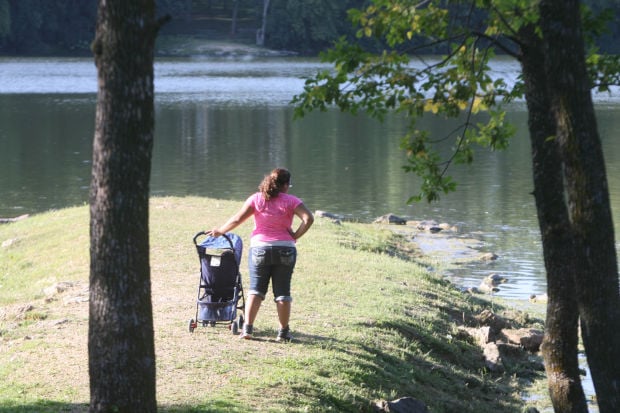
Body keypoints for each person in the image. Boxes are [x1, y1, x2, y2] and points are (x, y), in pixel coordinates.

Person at [205, 168, 314, 342]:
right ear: (285, 185)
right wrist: (294, 236)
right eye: (288, 185)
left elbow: (237, 219)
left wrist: (220, 231)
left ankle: (247, 329)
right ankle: (283, 332)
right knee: (282, 292)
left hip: (259, 248)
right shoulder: (292, 201)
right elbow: (308, 218)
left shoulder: (256, 199)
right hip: (285, 248)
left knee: (256, 290)